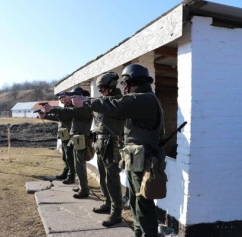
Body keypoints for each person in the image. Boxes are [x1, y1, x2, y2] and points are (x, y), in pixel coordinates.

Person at [72, 64, 164, 236]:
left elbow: (117, 105)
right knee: (136, 201)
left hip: (145, 160)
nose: (123, 88)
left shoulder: (145, 99)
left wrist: (86, 102)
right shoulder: (143, 99)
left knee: (143, 203)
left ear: (130, 82)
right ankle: (138, 232)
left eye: (124, 84)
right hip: (137, 159)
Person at [90, 72, 126, 227]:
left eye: (103, 88)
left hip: (112, 145)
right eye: (100, 89)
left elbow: (112, 108)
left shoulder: (119, 101)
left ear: (111, 86)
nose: (101, 92)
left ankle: (116, 212)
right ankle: (106, 203)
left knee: (112, 179)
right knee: (103, 176)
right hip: (101, 143)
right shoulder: (104, 100)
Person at [44, 87, 93, 198]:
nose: (72, 99)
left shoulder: (83, 108)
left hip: (81, 138)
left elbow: (67, 112)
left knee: (79, 166)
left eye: (75, 96)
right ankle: (82, 187)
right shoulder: (79, 107)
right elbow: (66, 112)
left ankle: (84, 190)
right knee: (78, 164)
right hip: (77, 138)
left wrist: (52, 109)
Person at [38, 93, 75, 184]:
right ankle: (66, 172)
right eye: (60, 99)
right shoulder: (65, 108)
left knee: (70, 156)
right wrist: (45, 115)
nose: (62, 100)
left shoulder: (72, 107)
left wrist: (51, 109)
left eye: (63, 97)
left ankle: (71, 175)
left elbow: (64, 114)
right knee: (65, 156)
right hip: (64, 135)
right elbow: (58, 116)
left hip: (70, 135)